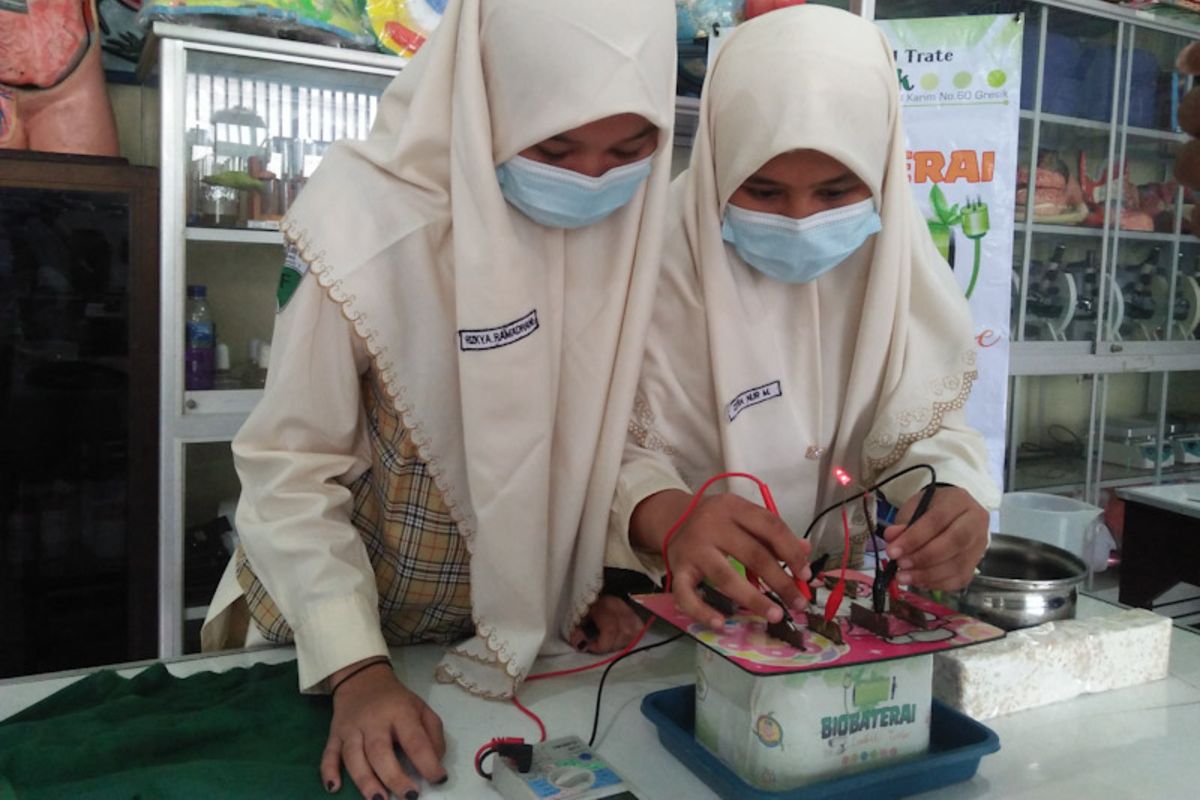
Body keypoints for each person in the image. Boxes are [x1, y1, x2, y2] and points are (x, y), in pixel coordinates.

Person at [200, 1, 676, 798]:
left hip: (494, 651)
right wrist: (356, 669)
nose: (591, 179)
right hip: (330, 646)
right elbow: (290, 468)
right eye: (554, 145)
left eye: (631, 150)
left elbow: (589, 435)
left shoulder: (626, 226)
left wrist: (577, 583)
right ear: (484, 93)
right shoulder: (363, 223)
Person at [607, 5, 1000, 630]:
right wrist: (670, 513)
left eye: (836, 192)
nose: (799, 218)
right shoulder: (645, 259)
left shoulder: (896, 259)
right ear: (716, 160)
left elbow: (924, 425)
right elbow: (598, 444)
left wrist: (950, 491)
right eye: (762, 192)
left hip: (823, 603)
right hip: (651, 606)